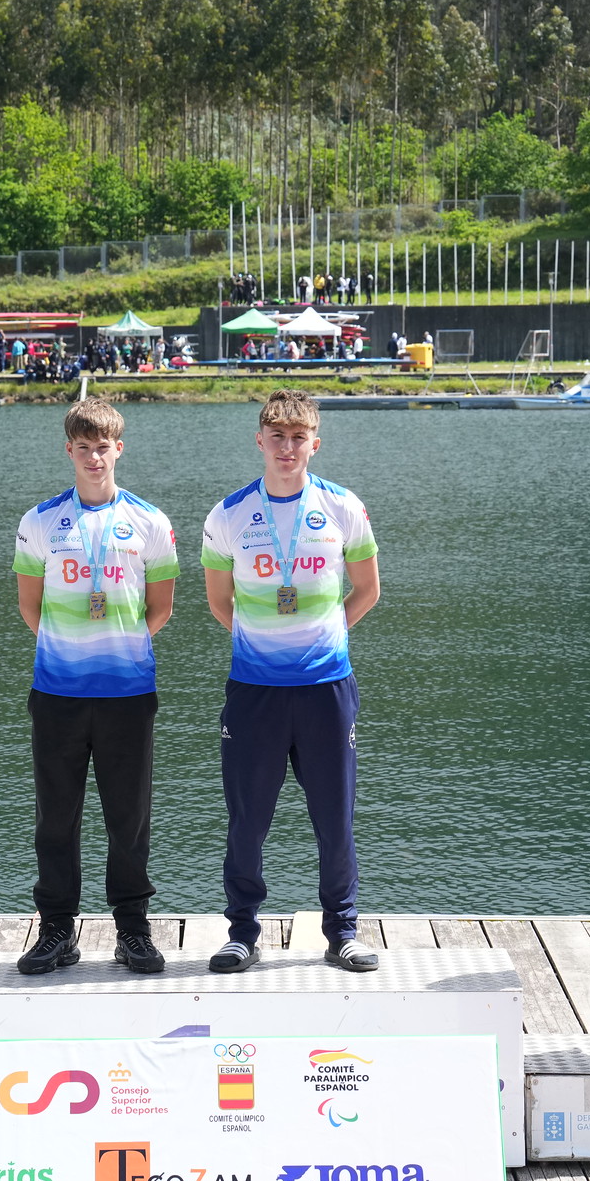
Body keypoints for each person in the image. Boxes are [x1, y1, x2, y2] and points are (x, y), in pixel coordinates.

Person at [202, 389, 381, 975]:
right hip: (255, 692)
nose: (287, 447)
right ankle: (242, 933)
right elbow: (220, 604)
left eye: (298, 437)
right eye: (276, 436)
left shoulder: (343, 506)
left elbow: (367, 590)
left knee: (335, 818)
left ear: (315, 443)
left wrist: (323, 637)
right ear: (259, 440)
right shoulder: (227, 515)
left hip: (327, 688)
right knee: (247, 819)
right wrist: (265, 644)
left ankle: (342, 931)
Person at [12, 400, 178, 977]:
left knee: (128, 819)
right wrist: (73, 648)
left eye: (102, 447)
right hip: (58, 693)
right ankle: (57, 929)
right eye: (83, 448)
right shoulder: (39, 521)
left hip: (127, 695)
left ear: (118, 450)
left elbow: (160, 609)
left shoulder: (150, 521)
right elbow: (30, 607)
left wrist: (114, 646)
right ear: (69, 451)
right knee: (55, 819)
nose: (93, 458)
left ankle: (132, 930)